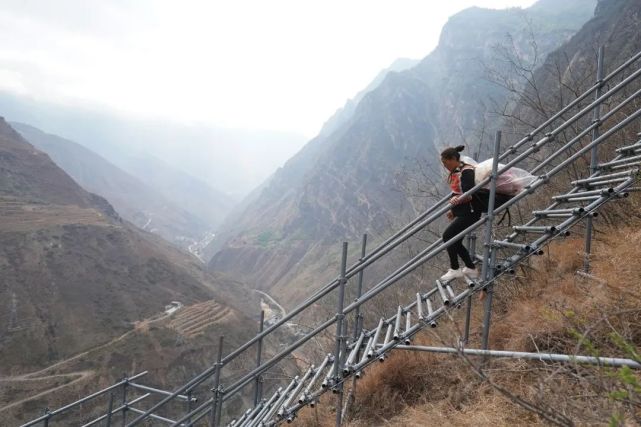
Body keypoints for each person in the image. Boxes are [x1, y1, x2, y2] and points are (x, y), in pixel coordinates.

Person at [439, 145, 481, 282]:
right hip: (464, 212)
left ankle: (455, 269)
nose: (445, 166)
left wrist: (456, 201)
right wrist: (453, 209)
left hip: (470, 212)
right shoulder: (459, 170)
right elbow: (459, 192)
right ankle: (470, 268)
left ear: (452, 159)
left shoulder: (466, 171)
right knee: (454, 241)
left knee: (447, 236)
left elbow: (469, 194)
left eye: (445, 163)